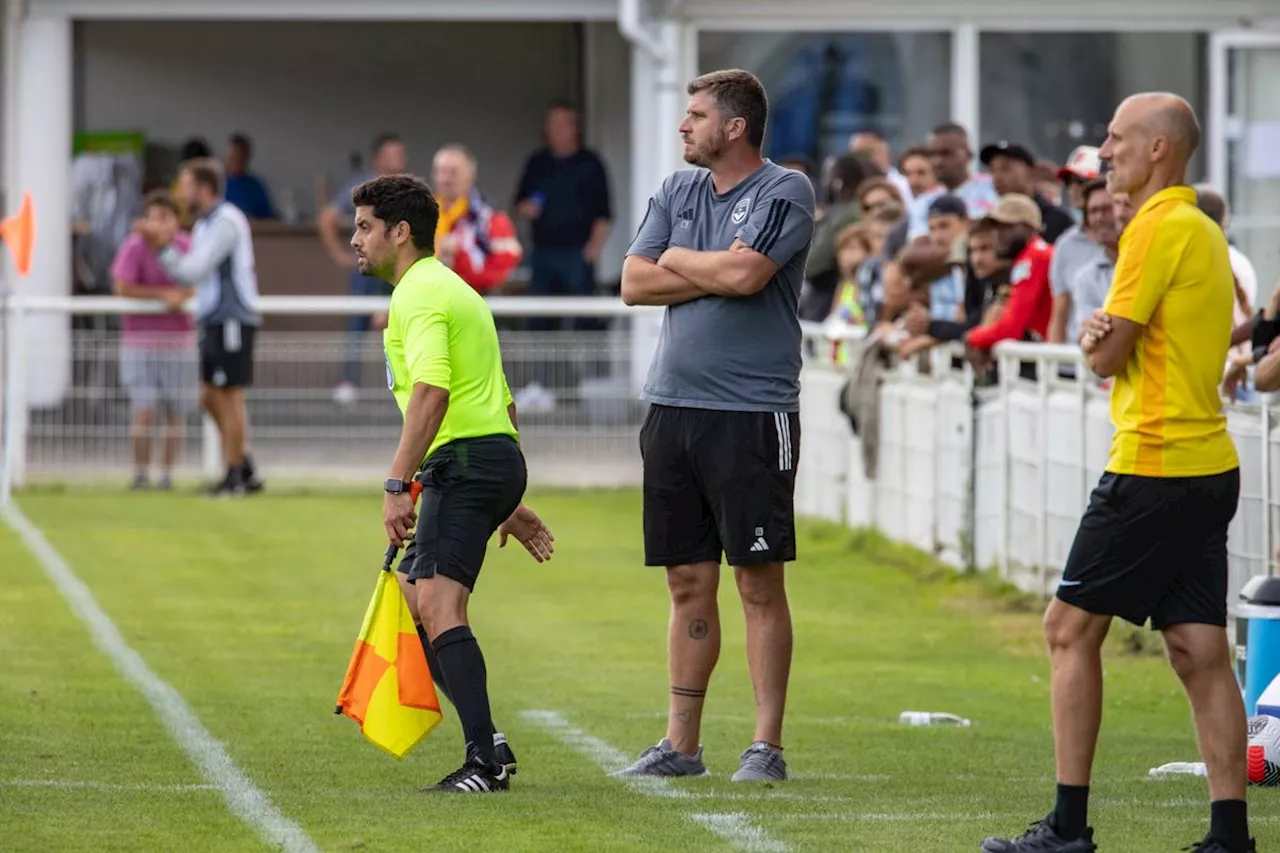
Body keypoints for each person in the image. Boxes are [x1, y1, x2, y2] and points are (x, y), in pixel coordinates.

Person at [982, 93, 1253, 853]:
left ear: (1159, 147)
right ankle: (1228, 834)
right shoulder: (1202, 227)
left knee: (1068, 628)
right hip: (1209, 463)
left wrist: (1100, 335)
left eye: (1115, 137)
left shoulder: (1154, 227)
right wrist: (1107, 334)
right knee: (1200, 651)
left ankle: (1068, 826)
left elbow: (1105, 354)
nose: (1104, 150)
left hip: (1156, 461)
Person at [616, 68, 816, 782]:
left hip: (752, 415)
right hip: (672, 409)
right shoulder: (676, 190)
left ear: (735, 127)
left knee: (757, 581)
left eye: (696, 115)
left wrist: (679, 259)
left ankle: (766, 745)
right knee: (686, 582)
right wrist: (707, 266)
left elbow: (748, 277)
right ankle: (682, 744)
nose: (683, 126)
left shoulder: (784, 189)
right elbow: (634, 282)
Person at [354, 173, 554, 794]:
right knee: (416, 596)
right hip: (486, 459)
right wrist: (509, 502)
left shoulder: (418, 294)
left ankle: (484, 764)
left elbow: (433, 393)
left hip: (464, 462)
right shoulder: (449, 287)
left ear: (399, 231)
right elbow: (503, 403)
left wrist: (396, 483)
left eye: (364, 227)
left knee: (439, 607)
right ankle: (488, 740)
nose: (355, 240)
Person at [135, 158, 265, 497]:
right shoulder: (205, 224)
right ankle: (243, 463)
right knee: (210, 395)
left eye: (186, 184)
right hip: (214, 318)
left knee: (230, 396)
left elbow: (193, 270)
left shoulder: (225, 221)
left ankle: (235, 475)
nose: (180, 191)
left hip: (232, 318)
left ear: (203, 188)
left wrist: (162, 247)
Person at [113, 190, 197, 491]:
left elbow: (198, 282)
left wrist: (181, 296)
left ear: (177, 220)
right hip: (140, 340)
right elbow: (122, 286)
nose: (158, 224)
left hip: (179, 341)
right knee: (144, 408)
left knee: (175, 411)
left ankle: (166, 475)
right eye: (153, 217)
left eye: (165, 217)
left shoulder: (188, 245)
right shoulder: (134, 247)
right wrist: (162, 296)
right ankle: (139, 473)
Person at [320, 133, 408, 405]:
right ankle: (349, 382)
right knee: (357, 325)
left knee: (405, 323)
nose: (398, 161)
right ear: (378, 158)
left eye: (401, 155)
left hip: (397, 270)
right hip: (367, 268)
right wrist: (339, 255)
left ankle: (407, 384)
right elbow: (327, 218)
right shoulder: (362, 186)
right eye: (392, 154)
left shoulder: (407, 189)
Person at [514, 102, 612, 331]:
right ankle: (542, 369)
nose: (556, 129)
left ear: (575, 127)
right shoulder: (537, 163)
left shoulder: (590, 164)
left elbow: (604, 213)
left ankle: (587, 368)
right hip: (543, 253)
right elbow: (519, 204)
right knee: (539, 319)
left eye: (562, 123)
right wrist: (527, 208)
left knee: (583, 321)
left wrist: (592, 251)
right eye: (552, 124)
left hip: (578, 254)